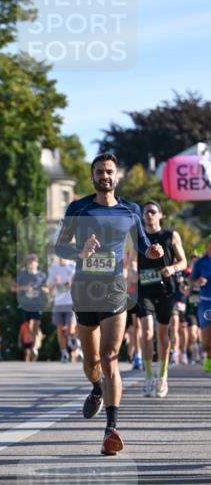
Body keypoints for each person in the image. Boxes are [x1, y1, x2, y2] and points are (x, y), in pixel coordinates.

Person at [54, 151, 164, 456]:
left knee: (111, 356)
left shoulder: (130, 210)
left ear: (117, 176)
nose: (105, 176)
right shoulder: (79, 208)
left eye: (109, 171)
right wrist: (81, 252)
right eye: (100, 171)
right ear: (93, 176)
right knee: (91, 364)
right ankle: (96, 388)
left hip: (115, 289)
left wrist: (152, 253)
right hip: (85, 290)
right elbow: (59, 246)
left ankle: (111, 429)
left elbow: (142, 245)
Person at [136, 201, 186, 398]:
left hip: (165, 290)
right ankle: (149, 377)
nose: (148, 215)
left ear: (160, 215)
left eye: (152, 211)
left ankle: (163, 376)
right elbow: (130, 258)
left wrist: (172, 269)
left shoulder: (170, 235)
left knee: (163, 334)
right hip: (144, 289)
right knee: (146, 331)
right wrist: (130, 272)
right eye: (145, 212)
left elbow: (183, 261)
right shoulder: (138, 237)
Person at [47, 255, 77, 362]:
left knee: (70, 328)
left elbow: (80, 283)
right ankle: (64, 353)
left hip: (71, 302)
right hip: (58, 303)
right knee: (60, 329)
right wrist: (55, 282)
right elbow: (49, 289)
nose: (61, 258)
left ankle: (71, 340)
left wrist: (72, 284)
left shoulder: (73, 266)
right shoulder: (54, 269)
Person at [190, 237, 211, 373]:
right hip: (206, 302)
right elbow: (190, 279)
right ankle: (208, 356)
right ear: (207, 246)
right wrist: (197, 282)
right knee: (206, 340)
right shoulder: (200, 262)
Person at [13, 254, 48, 326]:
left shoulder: (42, 275)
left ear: (37, 264)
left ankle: (36, 335)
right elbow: (13, 288)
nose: (30, 265)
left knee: (35, 326)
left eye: (32, 263)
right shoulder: (22, 275)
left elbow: (48, 289)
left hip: (38, 305)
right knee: (27, 327)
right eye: (29, 263)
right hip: (26, 305)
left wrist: (43, 289)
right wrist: (23, 288)